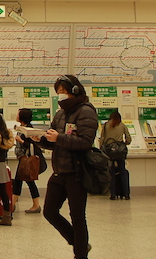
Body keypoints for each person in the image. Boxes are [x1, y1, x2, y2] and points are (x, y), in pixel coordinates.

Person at [37, 75, 98, 259]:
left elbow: (85, 142)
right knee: (49, 211)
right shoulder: (60, 113)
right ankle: (79, 243)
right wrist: (39, 140)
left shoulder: (86, 111)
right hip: (59, 171)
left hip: (76, 172)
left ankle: (80, 254)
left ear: (75, 90)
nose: (60, 95)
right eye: (58, 92)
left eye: (63, 91)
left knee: (77, 216)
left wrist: (59, 138)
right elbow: (54, 142)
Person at [12, 108, 42, 213]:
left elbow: (32, 145)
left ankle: (35, 204)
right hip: (22, 159)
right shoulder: (22, 128)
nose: (16, 115)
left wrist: (20, 140)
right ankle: (13, 203)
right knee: (20, 181)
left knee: (26, 181)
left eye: (18, 113)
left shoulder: (29, 130)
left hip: (26, 159)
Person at [100, 110, 132, 200]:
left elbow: (102, 138)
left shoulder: (106, 125)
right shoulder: (122, 125)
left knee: (111, 172)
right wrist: (124, 144)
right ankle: (126, 194)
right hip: (120, 152)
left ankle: (113, 194)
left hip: (109, 152)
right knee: (122, 172)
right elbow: (128, 138)